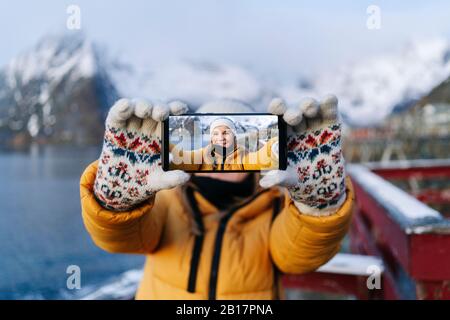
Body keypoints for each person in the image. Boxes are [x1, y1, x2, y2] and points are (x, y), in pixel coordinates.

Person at [80, 96, 354, 299]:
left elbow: (298, 257)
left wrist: (319, 206)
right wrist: (116, 201)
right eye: (214, 133)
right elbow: (120, 240)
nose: (223, 140)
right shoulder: (166, 200)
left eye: (232, 135)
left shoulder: (275, 206)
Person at [169, 101, 278, 171]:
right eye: (215, 133)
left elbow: (260, 158)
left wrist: (274, 149)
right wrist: (159, 147)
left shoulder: (243, 156)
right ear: (211, 138)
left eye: (226, 133)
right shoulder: (202, 155)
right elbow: (182, 158)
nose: (221, 137)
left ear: (234, 136)